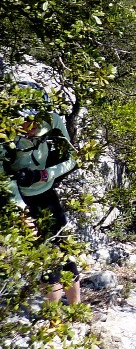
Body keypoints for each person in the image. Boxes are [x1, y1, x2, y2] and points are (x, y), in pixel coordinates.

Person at [3, 85, 81, 305]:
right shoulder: (5, 132)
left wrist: (46, 174)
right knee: (45, 259)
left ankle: (75, 310)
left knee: (64, 250)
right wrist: (22, 212)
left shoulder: (52, 121)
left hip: (46, 192)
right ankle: (53, 320)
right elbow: (4, 178)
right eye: (27, 121)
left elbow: (72, 158)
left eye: (37, 122)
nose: (32, 128)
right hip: (21, 198)